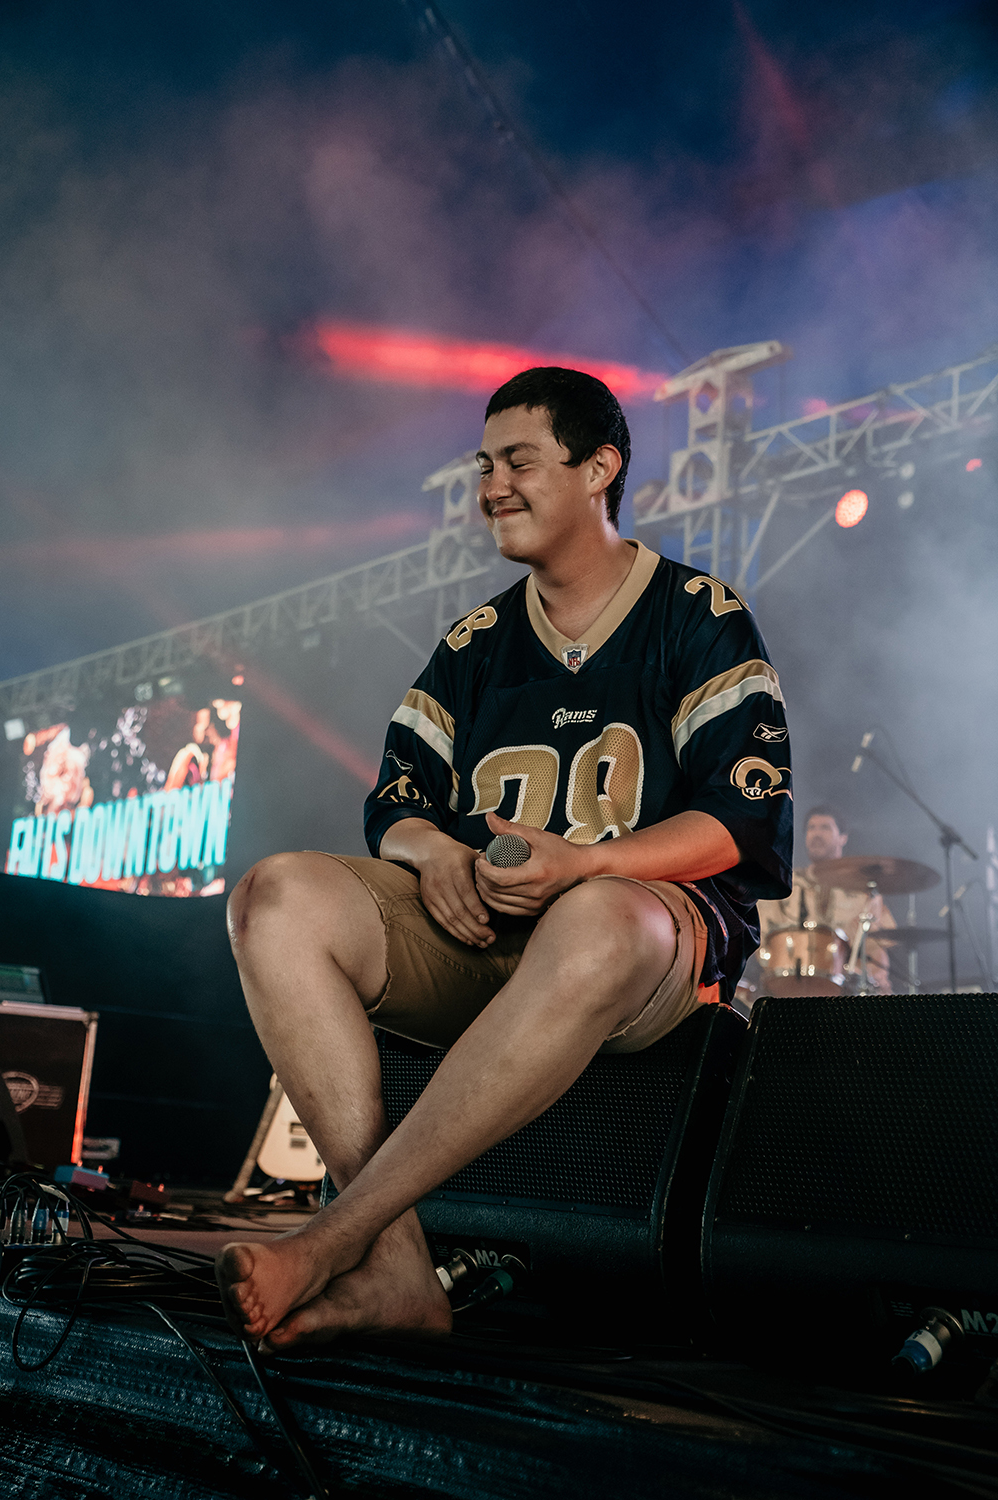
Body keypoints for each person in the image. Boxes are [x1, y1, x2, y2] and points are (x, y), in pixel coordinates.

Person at [216, 366, 793, 1351]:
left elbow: (739, 817)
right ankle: (395, 1272)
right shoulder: (476, 641)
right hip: (487, 941)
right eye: (484, 465)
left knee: (597, 913)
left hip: (644, 952)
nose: (491, 487)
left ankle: (333, 1239)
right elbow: (394, 798)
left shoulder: (696, 612)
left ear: (598, 467)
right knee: (277, 897)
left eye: (519, 460)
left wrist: (578, 867)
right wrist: (433, 852)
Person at [756, 806, 896, 993]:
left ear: (843, 837)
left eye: (825, 828)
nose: (816, 834)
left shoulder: (863, 891)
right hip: (790, 985)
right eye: (811, 828)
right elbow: (761, 934)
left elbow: (877, 946)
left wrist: (873, 975)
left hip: (845, 990)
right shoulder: (787, 883)